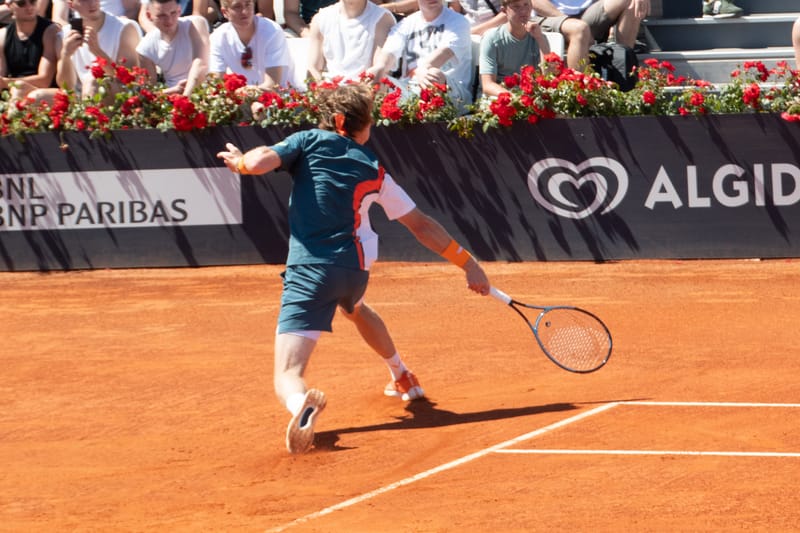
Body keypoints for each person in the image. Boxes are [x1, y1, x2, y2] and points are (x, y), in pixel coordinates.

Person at [216, 82, 491, 454]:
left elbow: (259, 162)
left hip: (311, 271)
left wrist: (239, 163)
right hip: (353, 271)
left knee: (288, 374)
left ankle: (300, 406)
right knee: (355, 309)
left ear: (334, 120)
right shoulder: (374, 167)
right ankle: (401, 374)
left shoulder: (308, 140)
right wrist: (469, 265)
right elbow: (422, 226)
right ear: (355, 124)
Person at [368, 0, 473, 111]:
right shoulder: (406, 24)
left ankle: (430, 117)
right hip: (410, 89)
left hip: (453, 92)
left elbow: (444, 52)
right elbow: (389, 52)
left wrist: (422, 69)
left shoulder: (459, 21)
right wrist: (380, 68)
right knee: (378, 78)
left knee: (433, 74)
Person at [56, 0, 141, 99]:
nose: (92, 3)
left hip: (119, 96)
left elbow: (128, 81)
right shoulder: (64, 35)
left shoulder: (124, 28)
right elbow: (66, 87)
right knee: (41, 96)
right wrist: (66, 56)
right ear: (71, 5)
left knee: (93, 83)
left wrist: (97, 51)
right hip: (81, 96)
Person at [531, 0, 649, 70]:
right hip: (549, 16)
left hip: (587, 13)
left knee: (633, 2)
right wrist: (566, 19)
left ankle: (624, 68)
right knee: (580, 29)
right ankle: (578, 92)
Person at [306, 0, 394, 82]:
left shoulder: (382, 19)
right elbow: (313, 67)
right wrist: (322, 87)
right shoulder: (321, 18)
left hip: (365, 88)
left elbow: (378, 68)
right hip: (329, 88)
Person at [209, 0, 290, 89]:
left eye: (248, 5)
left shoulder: (272, 30)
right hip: (242, 95)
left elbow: (273, 84)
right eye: (237, 7)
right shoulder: (218, 37)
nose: (244, 11)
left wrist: (246, 92)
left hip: (283, 94)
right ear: (225, 12)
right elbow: (215, 81)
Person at [136, 0, 209, 96]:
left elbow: (200, 64)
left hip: (206, 89)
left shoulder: (195, 24)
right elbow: (148, 92)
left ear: (179, 10)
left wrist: (186, 97)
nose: (169, 20)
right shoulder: (145, 47)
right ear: (149, 16)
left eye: (173, 13)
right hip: (172, 97)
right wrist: (172, 91)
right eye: (162, 15)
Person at [479, 0, 549, 97]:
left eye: (526, 4)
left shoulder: (539, 37)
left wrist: (540, 39)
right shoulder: (492, 38)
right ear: (504, 11)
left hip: (531, 96)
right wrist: (516, 99)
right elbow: (488, 85)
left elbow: (548, 76)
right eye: (516, 7)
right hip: (500, 97)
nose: (523, 11)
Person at [0, 0, 60, 98]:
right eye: (21, 3)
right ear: (9, 6)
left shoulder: (50, 31)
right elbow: (1, 75)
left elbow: (45, 81)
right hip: (13, 89)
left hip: (44, 93)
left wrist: (7, 82)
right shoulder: (3, 35)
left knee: (19, 88)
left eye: (32, 1)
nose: (29, 7)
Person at [137, 0, 211, 34]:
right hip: (161, 32)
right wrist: (157, 35)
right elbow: (143, 17)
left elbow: (197, 16)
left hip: (186, 32)